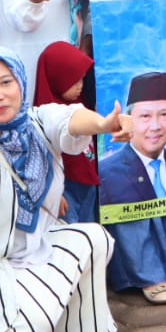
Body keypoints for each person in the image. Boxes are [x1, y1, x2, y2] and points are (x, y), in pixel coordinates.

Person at [0, 47, 121, 332]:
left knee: (95, 237)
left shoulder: (38, 120)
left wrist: (103, 125)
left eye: (6, 82)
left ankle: (72, 324)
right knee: (29, 330)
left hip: (35, 247)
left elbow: (71, 117)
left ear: (21, 84)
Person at [100, 71, 166, 304]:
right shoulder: (109, 170)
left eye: (164, 114)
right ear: (128, 119)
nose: (155, 126)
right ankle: (148, 276)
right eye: (144, 116)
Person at [33, 41, 100, 224]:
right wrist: (55, 193)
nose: (80, 86)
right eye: (74, 80)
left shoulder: (81, 104)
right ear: (57, 78)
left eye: (82, 79)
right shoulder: (43, 119)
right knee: (70, 233)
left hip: (88, 184)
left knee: (89, 230)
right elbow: (40, 164)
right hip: (66, 187)